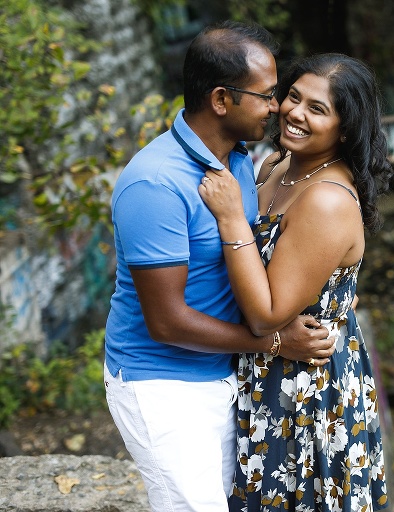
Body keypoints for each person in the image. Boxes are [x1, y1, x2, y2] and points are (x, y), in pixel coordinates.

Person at [103, 21, 335, 512]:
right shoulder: (156, 185)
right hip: (162, 385)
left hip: (226, 375)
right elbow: (166, 322)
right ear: (221, 100)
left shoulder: (242, 160)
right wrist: (274, 341)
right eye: (267, 95)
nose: (278, 108)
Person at [199, 53, 394, 511]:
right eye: (292, 97)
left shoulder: (327, 199)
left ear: (344, 130)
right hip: (264, 370)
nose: (295, 113)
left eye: (317, 109)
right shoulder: (274, 167)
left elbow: (268, 313)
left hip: (305, 390)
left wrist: (231, 219)